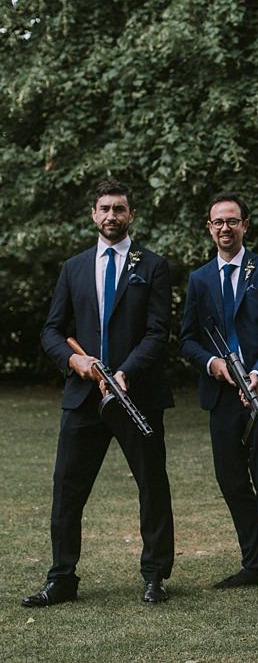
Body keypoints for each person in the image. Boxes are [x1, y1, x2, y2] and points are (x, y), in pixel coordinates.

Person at [22, 180, 175, 607]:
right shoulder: (73, 267)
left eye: (120, 209)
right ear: (93, 214)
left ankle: (154, 576)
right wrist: (75, 362)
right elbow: (53, 330)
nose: (112, 216)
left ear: (131, 215)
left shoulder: (153, 265)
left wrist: (126, 371)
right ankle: (62, 579)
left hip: (135, 395)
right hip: (83, 397)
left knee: (152, 486)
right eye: (104, 208)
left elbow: (157, 332)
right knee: (67, 489)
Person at [180, 192, 258, 599]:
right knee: (231, 478)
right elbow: (187, 340)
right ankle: (252, 558)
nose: (225, 228)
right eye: (218, 222)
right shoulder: (199, 279)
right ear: (209, 227)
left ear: (245, 225)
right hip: (222, 392)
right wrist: (214, 365)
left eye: (232, 221)